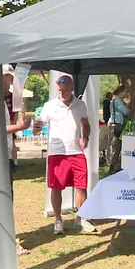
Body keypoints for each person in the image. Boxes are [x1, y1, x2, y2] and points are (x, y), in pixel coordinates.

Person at [40, 75, 94, 234]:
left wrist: (86, 136)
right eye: (59, 90)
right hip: (57, 153)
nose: (62, 93)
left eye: (65, 90)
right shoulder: (50, 106)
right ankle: (58, 220)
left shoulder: (80, 104)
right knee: (56, 187)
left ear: (71, 88)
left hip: (76, 152)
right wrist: (35, 126)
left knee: (82, 186)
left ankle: (80, 218)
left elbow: (85, 123)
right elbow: (40, 123)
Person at [2, 66, 33, 195]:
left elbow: (12, 123)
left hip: (8, 149)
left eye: (8, 78)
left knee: (8, 189)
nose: (7, 81)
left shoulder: (13, 98)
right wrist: (19, 127)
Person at [107, 86, 130, 173]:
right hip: (117, 124)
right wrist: (129, 109)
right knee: (116, 145)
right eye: (126, 92)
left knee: (116, 145)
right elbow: (125, 111)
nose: (127, 94)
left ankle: (115, 165)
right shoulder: (118, 101)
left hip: (115, 124)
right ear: (121, 92)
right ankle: (113, 166)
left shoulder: (114, 100)